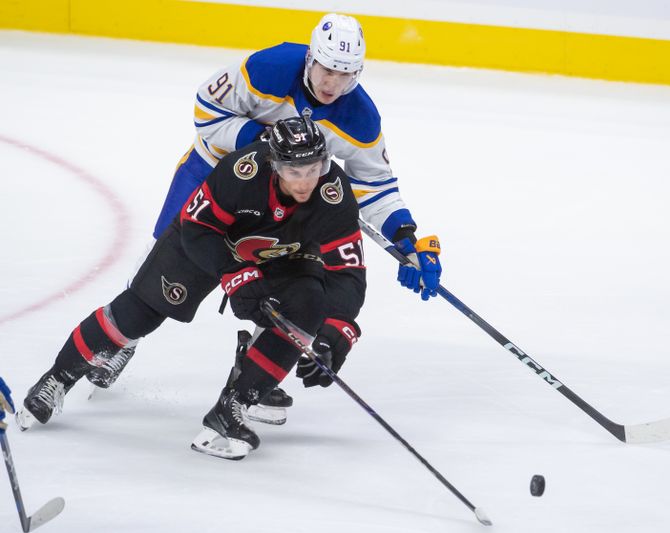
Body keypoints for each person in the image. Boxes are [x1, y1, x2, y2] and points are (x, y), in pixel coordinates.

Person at [84, 13, 444, 421]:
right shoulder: (268, 69)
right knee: (162, 258)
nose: (332, 85)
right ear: (310, 59)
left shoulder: (360, 117)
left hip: (289, 198)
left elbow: (376, 185)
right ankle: (121, 342)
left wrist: (405, 234)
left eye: (345, 76)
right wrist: (257, 142)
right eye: (327, 70)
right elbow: (207, 111)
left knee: (289, 275)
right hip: (216, 175)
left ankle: (251, 369)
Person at [16, 116, 391, 460]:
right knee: (138, 315)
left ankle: (232, 409)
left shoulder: (334, 194)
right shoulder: (241, 173)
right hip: (208, 243)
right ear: (275, 166)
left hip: (283, 254)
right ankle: (57, 378)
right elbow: (197, 229)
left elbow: (347, 272)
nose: (306, 180)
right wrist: (234, 273)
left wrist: (340, 327)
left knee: (309, 304)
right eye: (295, 170)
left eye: (314, 168)